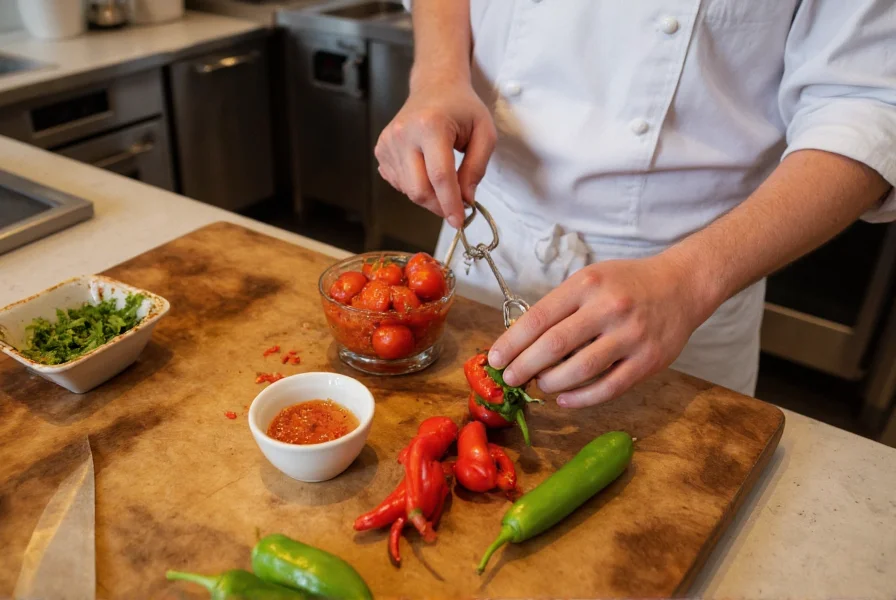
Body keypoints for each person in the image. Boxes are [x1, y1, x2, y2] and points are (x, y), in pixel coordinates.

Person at [375, 1, 896, 407]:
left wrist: (691, 283)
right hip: (490, 235)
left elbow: (870, 106)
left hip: (682, 280)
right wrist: (438, 77)